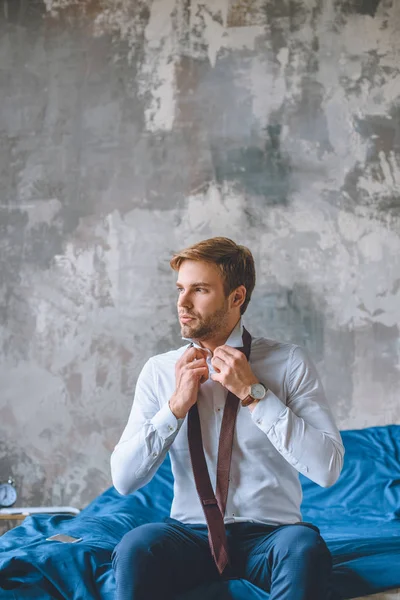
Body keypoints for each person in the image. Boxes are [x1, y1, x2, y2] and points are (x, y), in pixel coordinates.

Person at [111, 237, 345, 600]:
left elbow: (327, 470)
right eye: (180, 289)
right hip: (189, 533)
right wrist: (174, 408)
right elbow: (124, 480)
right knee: (136, 547)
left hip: (273, 536)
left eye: (199, 290)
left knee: (304, 548)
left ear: (237, 297)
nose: (182, 303)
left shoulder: (288, 363)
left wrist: (255, 394)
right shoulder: (159, 372)